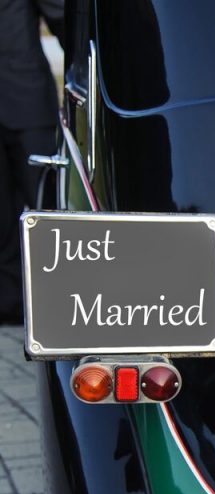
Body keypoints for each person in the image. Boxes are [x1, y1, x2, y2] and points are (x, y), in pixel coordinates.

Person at [0, 0, 64, 325]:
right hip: (24, 96)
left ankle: (59, 297)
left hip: (27, 99)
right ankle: (9, 304)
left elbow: (60, 13)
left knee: (46, 203)